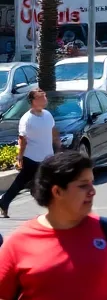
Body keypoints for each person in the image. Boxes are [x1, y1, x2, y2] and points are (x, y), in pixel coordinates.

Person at [0, 150, 107, 300]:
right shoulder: (19, 242)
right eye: (83, 185)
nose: (92, 191)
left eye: (92, 183)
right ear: (57, 192)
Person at [0, 88, 58, 218]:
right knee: (22, 183)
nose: (45, 99)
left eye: (45, 96)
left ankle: (4, 201)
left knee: (45, 182)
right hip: (31, 158)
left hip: (47, 157)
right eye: (41, 97)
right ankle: (5, 202)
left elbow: (53, 131)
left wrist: (58, 147)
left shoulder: (48, 115)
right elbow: (22, 139)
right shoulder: (26, 119)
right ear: (33, 101)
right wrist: (20, 156)